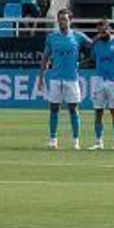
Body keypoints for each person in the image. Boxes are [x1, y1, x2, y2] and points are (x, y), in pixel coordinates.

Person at [37, 9, 89, 150]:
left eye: (64, 19)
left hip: (71, 79)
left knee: (74, 109)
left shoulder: (78, 36)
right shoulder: (52, 37)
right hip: (55, 79)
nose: (62, 22)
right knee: (54, 109)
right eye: (60, 19)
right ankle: (53, 140)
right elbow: (45, 58)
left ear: (70, 20)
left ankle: (76, 141)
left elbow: (94, 46)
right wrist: (41, 77)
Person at [88, 20, 114, 150]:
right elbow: (92, 58)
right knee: (98, 112)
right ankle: (98, 142)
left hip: (113, 81)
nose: (102, 33)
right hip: (99, 81)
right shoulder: (96, 44)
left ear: (109, 29)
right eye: (99, 31)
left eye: (104, 30)